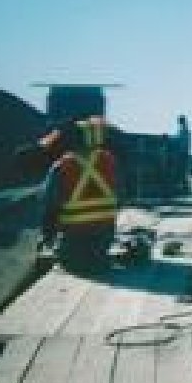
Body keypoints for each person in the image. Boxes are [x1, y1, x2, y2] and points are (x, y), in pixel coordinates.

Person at [41, 116, 119, 270]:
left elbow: (49, 204)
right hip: (101, 247)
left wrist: (47, 236)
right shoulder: (110, 161)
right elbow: (121, 196)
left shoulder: (63, 165)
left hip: (73, 248)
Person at [169, 114, 192, 194]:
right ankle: (184, 187)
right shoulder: (183, 130)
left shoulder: (184, 131)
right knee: (182, 172)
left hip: (182, 154)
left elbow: (180, 140)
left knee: (182, 171)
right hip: (183, 153)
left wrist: (170, 139)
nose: (179, 123)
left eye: (180, 121)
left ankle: (184, 188)